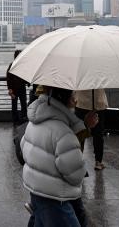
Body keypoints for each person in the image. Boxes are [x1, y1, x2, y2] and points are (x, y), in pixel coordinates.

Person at [20, 87, 87, 226]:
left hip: (37, 190)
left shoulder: (34, 121)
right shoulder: (63, 132)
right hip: (56, 197)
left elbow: (23, 147)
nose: (76, 99)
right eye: (73, 94)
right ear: (65, 98)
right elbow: (75, 174)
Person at [74, 89, 108, 170]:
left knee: (80, 132)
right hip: (98, 102)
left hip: (82, 103)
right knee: (98, 134)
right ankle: (98, 162)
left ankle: (77, 160)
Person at [7, 50, 29, 125]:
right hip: (14, 89)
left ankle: (23, 118)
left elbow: (25, 76)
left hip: (22, 88)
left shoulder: (23, 65)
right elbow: (9, 78)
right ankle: (15, 120)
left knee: (24, 104)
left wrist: (28, 82)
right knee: (14, 105)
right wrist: (10, 89)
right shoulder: (12, 65)